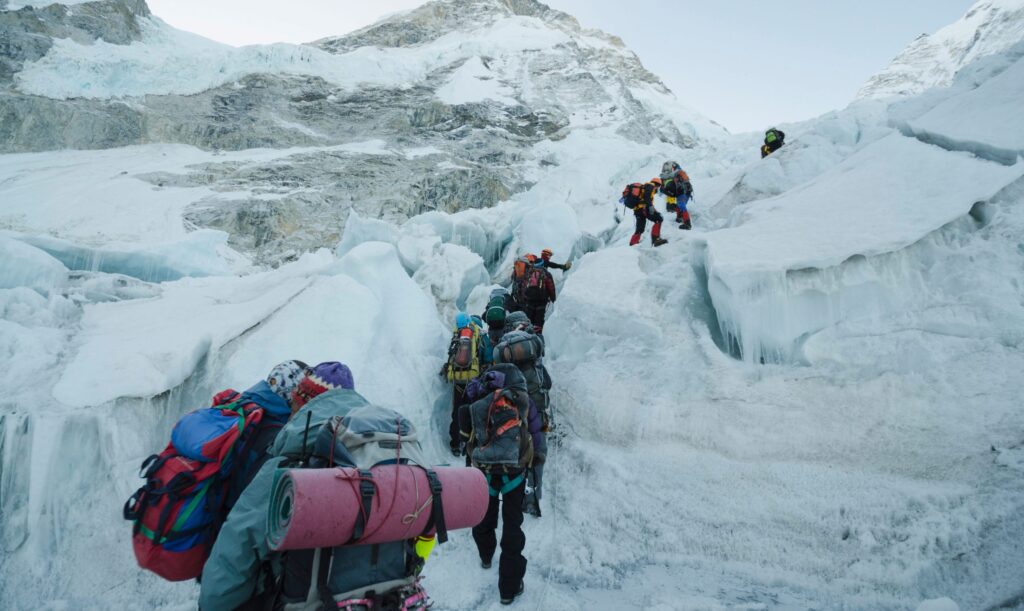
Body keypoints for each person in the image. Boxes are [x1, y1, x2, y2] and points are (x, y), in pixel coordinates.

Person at [460, 364, 539, 605]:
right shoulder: (522, 401)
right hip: (514, 472)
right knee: (512, 525)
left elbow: (466, 434)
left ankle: (486, 555)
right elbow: (535, 432)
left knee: (484, 515)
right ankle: (509, 588)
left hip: (484, 472)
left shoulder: (478, 402)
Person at [496, 312, 549, 518]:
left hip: (514, 412)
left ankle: (515, 494)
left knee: (519, 453)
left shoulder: (505, 353)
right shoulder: (534, 353)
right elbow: (548, 383)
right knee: (538, 452)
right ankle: (533, 497)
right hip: (539, 413)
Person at [441, 312, 490, 455]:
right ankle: (472, 443)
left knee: (457, 411)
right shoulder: (480, 335)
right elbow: (488, 356)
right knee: (474, 410)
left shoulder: (457, 334)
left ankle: (455, 444)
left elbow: (452, 355)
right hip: (474, 380)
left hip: (458, 380)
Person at [628, 178, 668, 247]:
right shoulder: (651, 186)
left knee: (640, 228)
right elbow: (647, 197)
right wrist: (650, 206)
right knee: (659, 219)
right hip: (644, 208)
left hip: (637, 210)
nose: (657, 188)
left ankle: (633, 243)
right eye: (658, 186)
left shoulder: (644, 187)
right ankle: (656, 239)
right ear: (657, 184)